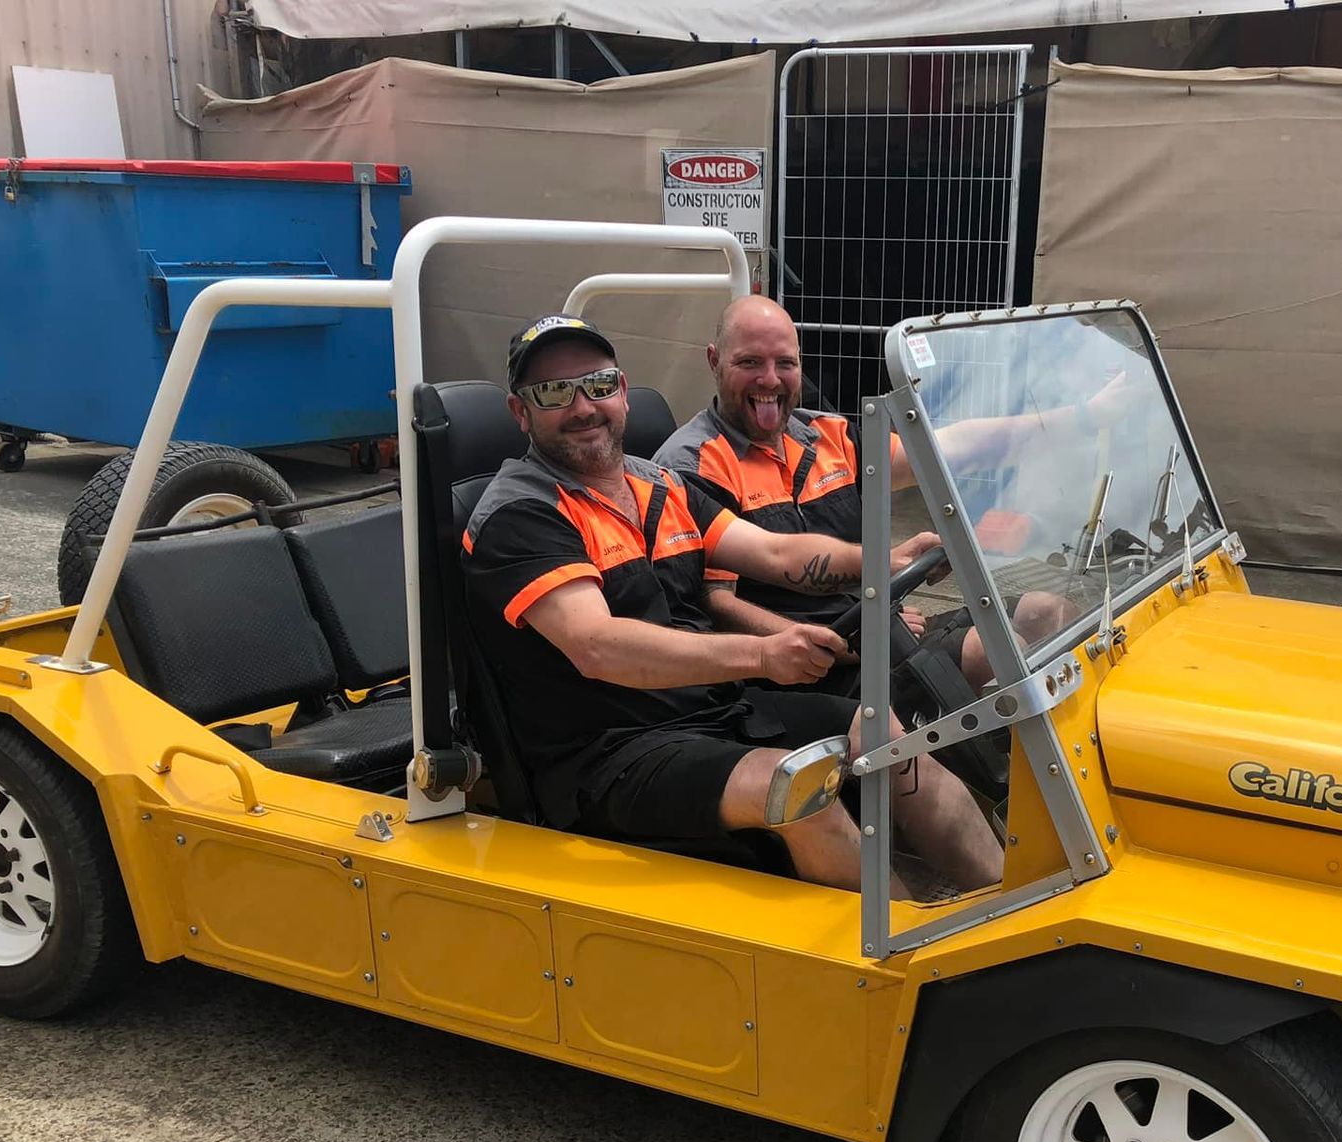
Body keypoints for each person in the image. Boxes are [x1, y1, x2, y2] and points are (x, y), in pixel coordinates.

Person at [460, 312, 1003, 895]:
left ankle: (1002, 902)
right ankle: (896, 956)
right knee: (796, 785)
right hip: (609, 751)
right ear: (521, 413)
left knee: (882, 731)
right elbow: (598, 646)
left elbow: (772, 552)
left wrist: (887, 560)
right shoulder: (521, 514)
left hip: (713, 711)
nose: (583, 407)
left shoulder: (657, 485)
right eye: (554, 393)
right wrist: (764, 654)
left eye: (597, 385)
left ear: (621, 392)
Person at [654, 297, 1121, 693]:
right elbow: (716, 604)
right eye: (750, 362)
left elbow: (956, 446)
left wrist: (1086, 418)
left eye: (786, 363)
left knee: (1050, 613)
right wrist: (843, 643)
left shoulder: (828, 437)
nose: (771, 380)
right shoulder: (694, 465)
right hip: (806, 668)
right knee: (998, 655)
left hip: (877, 626)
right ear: (714, 361)